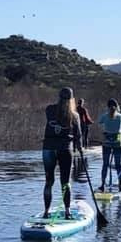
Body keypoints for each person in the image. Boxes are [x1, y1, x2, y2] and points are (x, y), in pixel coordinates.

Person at [42, 87, 83, 220]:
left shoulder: (49, 109)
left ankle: (46, 212)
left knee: (49, 181)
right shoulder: (75, 116)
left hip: (48, 148)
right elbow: (78, 136)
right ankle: (67, 212)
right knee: (65, 182)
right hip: (65, 149)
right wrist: (80, 149)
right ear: (72, 99)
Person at [97, 98, 121, 192]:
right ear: (117, 106)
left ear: (107, 107)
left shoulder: (104, 116)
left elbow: (99, 122)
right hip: (118, 143)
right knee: (118, 165)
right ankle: (120, 186)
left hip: (107, 143)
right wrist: (119, 111)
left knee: (105, 164)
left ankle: (102, 185)